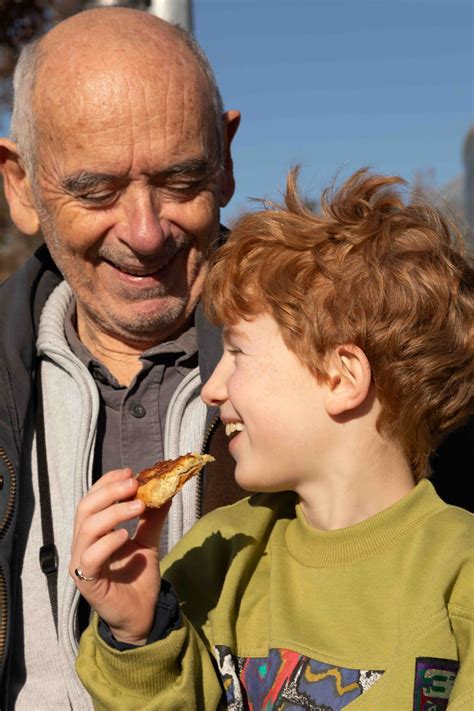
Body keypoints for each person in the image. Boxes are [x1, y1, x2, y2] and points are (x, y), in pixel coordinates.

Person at [72, 167, 474, 709]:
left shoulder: (459, 576)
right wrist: (140, 633)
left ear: (341, 377)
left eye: (236, 352)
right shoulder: (219, 556)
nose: (211, 389)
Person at [0, 7, 244, 708]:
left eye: (180, 179)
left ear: (225, 163)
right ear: (21, 185)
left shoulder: (346, 368)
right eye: (96, 190)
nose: (143, 231)